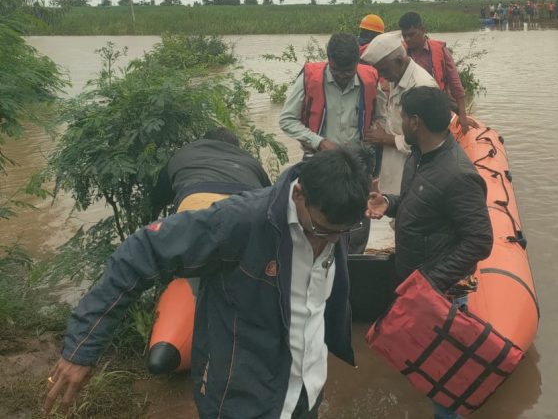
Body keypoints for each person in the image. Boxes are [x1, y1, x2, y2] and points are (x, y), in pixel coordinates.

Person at [44, 148, 371, 419]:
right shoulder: (240, 222)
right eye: (320, 231)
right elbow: (141, 251)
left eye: (340, 234)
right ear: (298, 194)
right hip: (245, 399)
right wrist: (82, 347)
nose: (328, 242)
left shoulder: (334, 218)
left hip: (307, 387)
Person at [366, 86, 493, 419]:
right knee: (421, 372)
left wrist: (429, 282)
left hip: (441, 297)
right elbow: (420, 206)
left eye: (404, 116)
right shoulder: (420, 157)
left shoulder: (459, 175)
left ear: (415, 122)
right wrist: (390, 204)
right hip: (416, 288)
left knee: (444, 391)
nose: (401, 122)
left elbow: (480, 241)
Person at [279, 33, 384, 252]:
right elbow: (286, 120)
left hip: (357, 165)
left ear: (358, 62)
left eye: (348, 71)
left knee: (356, 225)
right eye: (337, 71)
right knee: (314, 220)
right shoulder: (310, 79)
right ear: (328, 59)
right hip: (319, 163)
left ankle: (352, 263)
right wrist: (319, 142)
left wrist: (376, 134)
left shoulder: (370, 79)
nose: (343, 77)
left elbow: (381, 117)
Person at [360, 31, 437, 194]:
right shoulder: (397, 77)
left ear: (399, 61)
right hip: (394, 174)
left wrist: (386, 138)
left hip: (414, 179)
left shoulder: (421, 86)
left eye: (383, 69)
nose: (381, 75)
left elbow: (429, 142)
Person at [150, 127, 271, 218]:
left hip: (197, 204)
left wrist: (150, 217)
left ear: (204, 141)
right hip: (251, 206)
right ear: (236, 148)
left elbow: (158, 197)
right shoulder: (249, 160)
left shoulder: (183, 153)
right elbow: (273, 198)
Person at [398, 12, 474, 132]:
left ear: (422, 30)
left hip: (436, 110)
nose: (407, 39)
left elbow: (456, 84)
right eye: (404, 36)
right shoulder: (400, 53)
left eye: (411, 35)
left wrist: (463, 115)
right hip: (410, 112)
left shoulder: (440, 51)